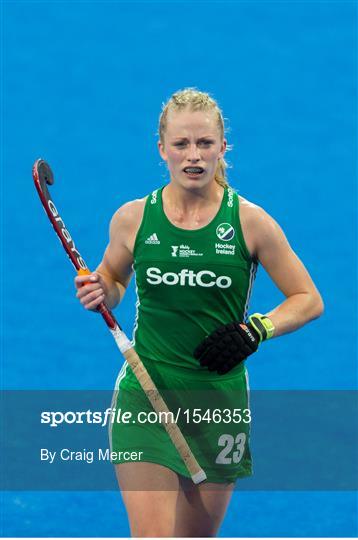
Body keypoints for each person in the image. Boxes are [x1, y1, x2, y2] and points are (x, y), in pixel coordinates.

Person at [74, 88, 324, 537]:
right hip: (147, 392)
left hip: (217, 404)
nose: (193, 155)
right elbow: (112, 281)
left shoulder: (250, 221)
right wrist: (100, 290)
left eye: (205, 143)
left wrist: (256, 330)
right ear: (162, 150)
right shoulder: (133, 218)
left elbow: (307, 298)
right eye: (182, 144)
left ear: (222, 147)